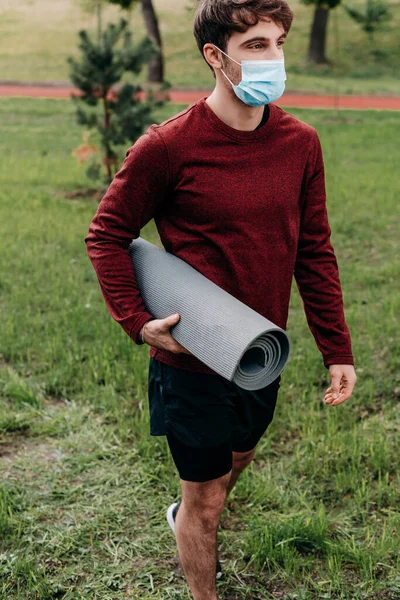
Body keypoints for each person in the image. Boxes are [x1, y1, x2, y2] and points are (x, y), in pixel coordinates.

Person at [85, 0, 357, 598]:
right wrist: (138, 322)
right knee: (206, 502)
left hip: (262, 356)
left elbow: (314, 251)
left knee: (229, 474)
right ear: (216, 56)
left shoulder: (300, 144)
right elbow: (106, 235)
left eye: (279, 43)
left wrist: (338, 349)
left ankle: (188, 517)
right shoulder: (168, 146)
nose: (274, 58)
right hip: (190, 358)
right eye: (256, 46)